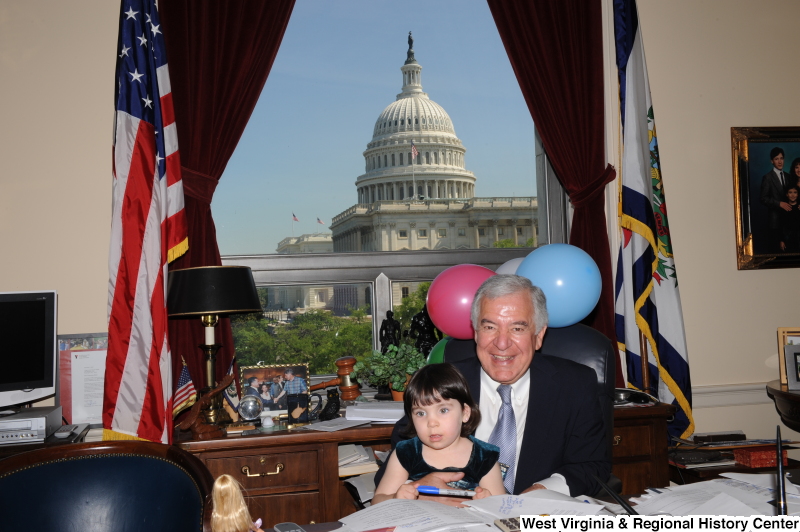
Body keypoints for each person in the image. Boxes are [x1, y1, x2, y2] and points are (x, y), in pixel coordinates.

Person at [376, 274, 609, 499]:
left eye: (517, 328)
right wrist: (421, 487)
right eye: (490, 327)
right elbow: (399, 455)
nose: (502, 343)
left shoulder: (574, 384)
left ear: (538, 336)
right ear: (476, 333)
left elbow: (591, 465)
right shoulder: (445, 383)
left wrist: (540, 492)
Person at [372, 363, 505, 504]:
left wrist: (487, 503)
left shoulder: (484, 457)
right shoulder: (405, 453)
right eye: (421, 413)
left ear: (465, 413)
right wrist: (395, 498)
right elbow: (376, 502)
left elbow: (502, 512)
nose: (431, 423)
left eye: (443, 410)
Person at [760, 147, 791, 252]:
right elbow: (763, 198)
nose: (779, 161)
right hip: (775, 221)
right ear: (771, 161)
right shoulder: (767, 177)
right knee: (776, 251)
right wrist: (779, 204)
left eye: (781, 158)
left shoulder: (788, 176)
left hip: (788, 219)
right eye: (776, 158)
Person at [780, 186, 800, 253]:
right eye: (790, 192)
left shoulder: (799, 207)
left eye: (795, 192)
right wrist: (781, 240)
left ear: (798, 194)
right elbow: (781, 225)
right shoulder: (784, 208)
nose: (793, 195)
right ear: (787, 194)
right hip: (788, 238)